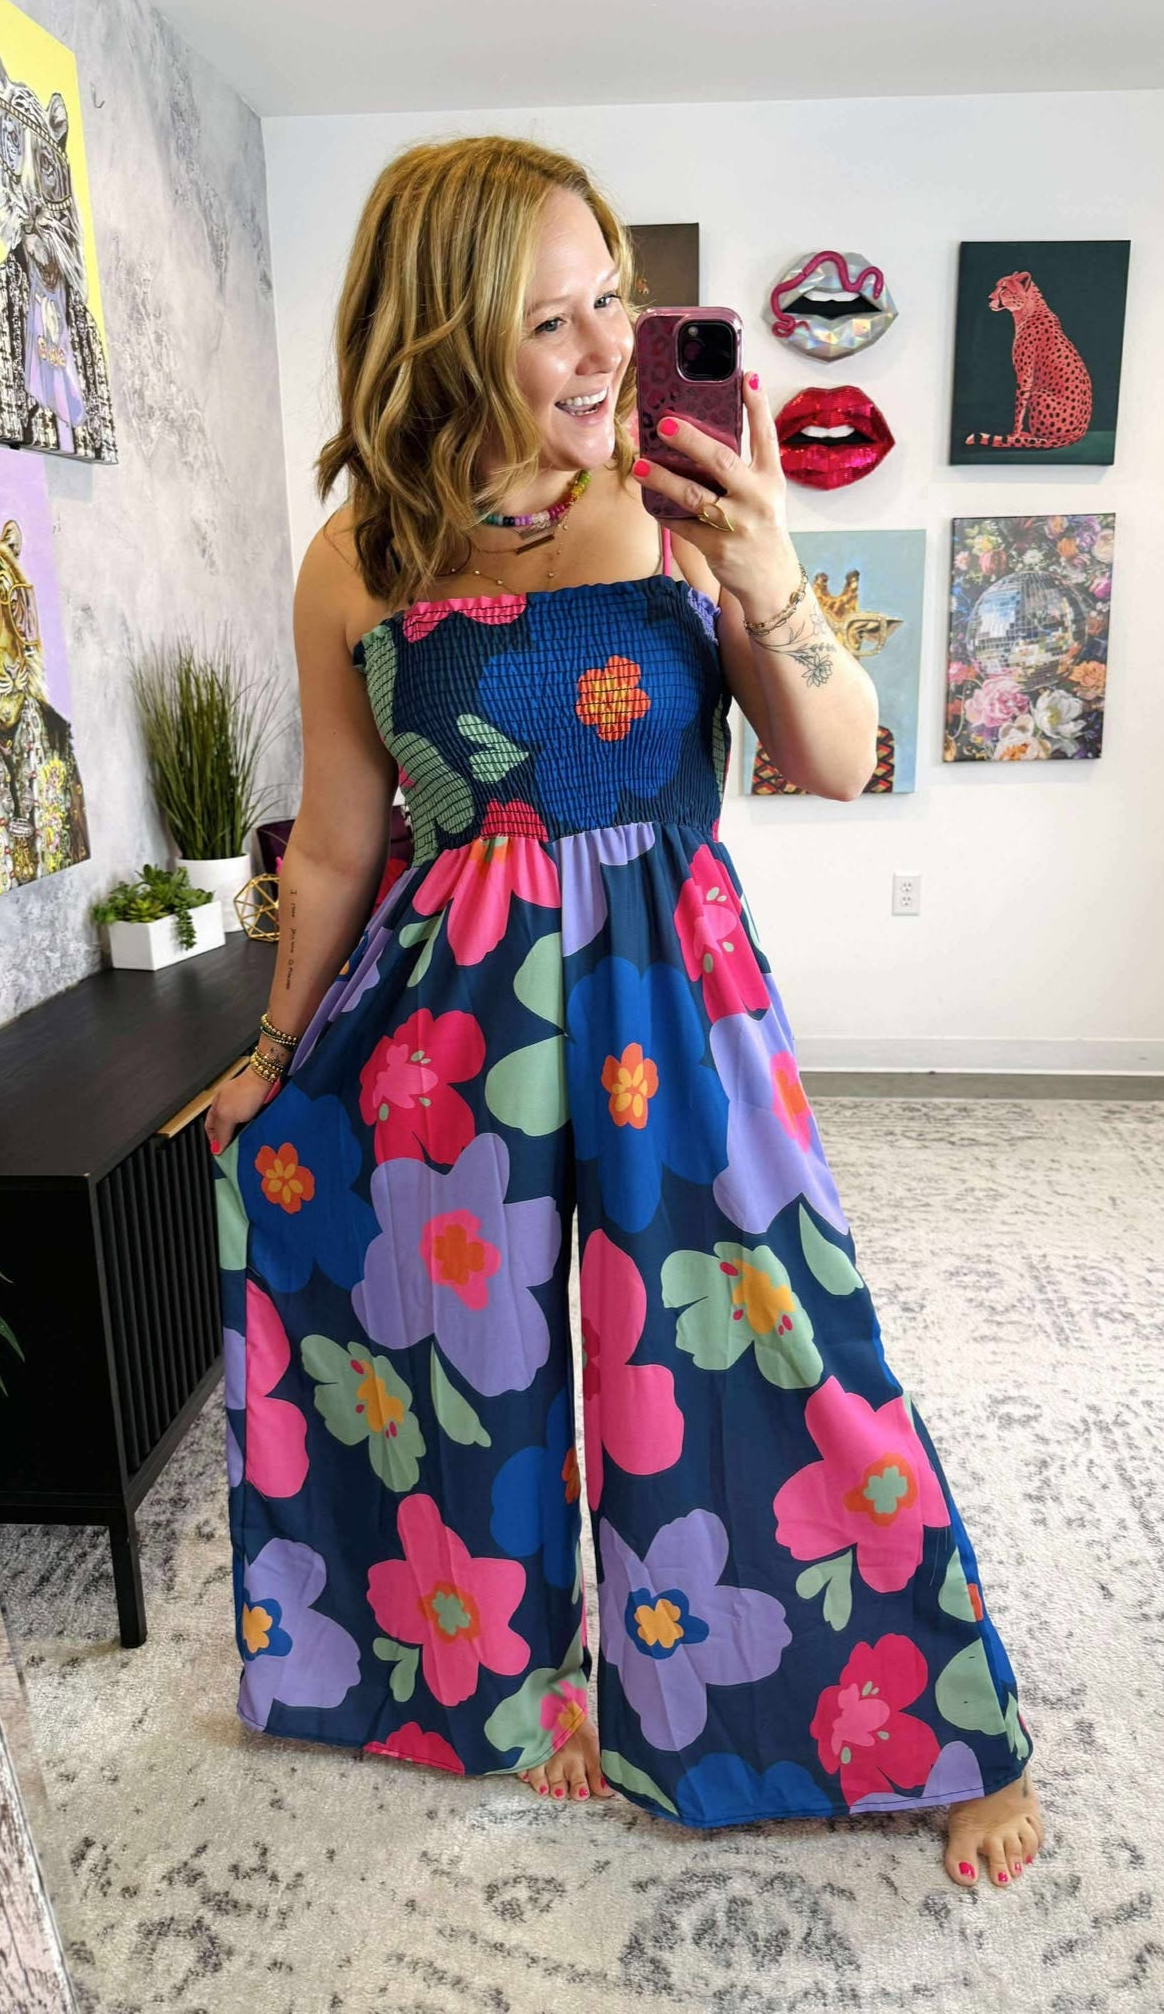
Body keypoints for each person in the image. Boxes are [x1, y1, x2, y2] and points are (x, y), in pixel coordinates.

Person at [204, 134, 1046, 1892]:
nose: (604, 350)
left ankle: (910, 1719)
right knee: (451, 1363)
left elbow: (838, 758)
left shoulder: (685, 497)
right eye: (549, 321)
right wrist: (275, 1055)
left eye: (615, 300)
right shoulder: (359, 555)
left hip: (678, 1005)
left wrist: (767, 570)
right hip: (446, 1033)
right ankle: (500, 1683)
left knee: (764, 1337)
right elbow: (341, 843)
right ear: (440, 334)